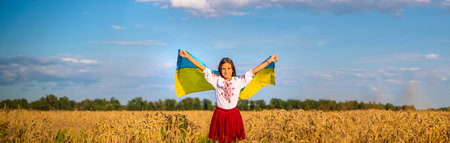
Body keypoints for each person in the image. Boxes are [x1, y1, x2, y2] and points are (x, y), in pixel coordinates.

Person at [178, 49, 278, 142]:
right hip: (220, 114)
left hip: (233, 115)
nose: (226, 71)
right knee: (221, 140)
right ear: (220, 70)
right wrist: (188, 56)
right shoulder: (216, 80)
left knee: (232, 140)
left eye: (229, 68)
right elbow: (202, 67)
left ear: (233, 70)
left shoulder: (239, 81)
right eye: (223, 69)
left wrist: (270, 60)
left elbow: (255, 71)